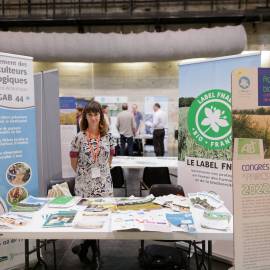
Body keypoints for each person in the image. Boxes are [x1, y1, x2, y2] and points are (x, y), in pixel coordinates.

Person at [70, 101, 115, 269]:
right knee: (88, 220)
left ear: (100, 116)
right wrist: (87, 174)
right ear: (85, 117)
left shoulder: (108, 136)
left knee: (102, 218)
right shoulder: (79, 137)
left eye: (96, 114)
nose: (94, 118)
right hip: (84, 185)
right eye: (90, 114)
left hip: (103, 184)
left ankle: (84, 249)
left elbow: (110, 160)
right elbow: (74, 163)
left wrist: (100, 172)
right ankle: (95, 253)